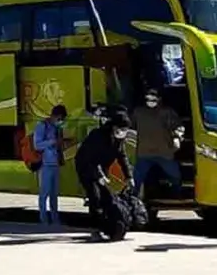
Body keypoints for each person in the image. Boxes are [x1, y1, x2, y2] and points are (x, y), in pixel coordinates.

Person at [74, 109, 132, 242]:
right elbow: (90, 159)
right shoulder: (98, 136)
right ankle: (95, 229)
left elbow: (122, 156)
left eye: (125, 130)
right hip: (86, 167)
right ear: (114, 127)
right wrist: (99, 176)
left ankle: (109, 226)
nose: (123, 132)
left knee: (107, 196)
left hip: (102, 167)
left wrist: (129, 176)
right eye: (121, 129)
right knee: (95, 196)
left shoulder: (119, 139)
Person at [131, 89, 182, 196]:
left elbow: (178, 127)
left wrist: (177, 138)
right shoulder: (138, 112)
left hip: (164, 152)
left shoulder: (167, 112)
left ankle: (176, 194)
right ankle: (132, 199)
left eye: (153, 99)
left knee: (175, 175)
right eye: (148, 99)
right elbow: (131, 127)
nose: (150, 101)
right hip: (144, 153)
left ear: (159, 99)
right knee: (136, 179)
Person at [33, 104, 67, 225]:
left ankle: (55, 218)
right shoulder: (42, 126)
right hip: (45, 164)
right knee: (44, 193)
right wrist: (53, 142)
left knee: (54, 194)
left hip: (55, 163)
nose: (60, 121)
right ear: (54, 116)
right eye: (60, 118)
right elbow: (37, 145)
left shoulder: (57, 128)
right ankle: (43, 218)